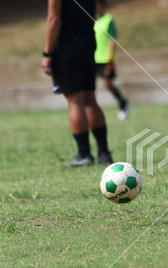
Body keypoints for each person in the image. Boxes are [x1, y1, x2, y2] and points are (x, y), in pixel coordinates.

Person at [41, 0, 113, 166]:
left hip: (67, 47)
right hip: (88, 43)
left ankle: (84, 154)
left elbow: (54, 19)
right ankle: (104, 153)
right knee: (90, 99)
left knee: (75, 101)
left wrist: (47, 53)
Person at [95, 0, 129, 121]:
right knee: (89, 89)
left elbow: (111, 40)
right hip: (91, 58)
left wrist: (110, 58)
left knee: (108, 84)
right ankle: (92, 113)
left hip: (105, 58)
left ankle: (122, 102)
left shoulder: (108, 19)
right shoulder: (88, 19)